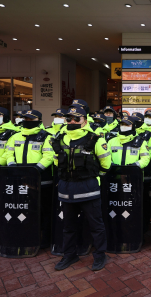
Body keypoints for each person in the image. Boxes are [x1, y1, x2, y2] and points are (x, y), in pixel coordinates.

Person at [52, 106, 111, 271]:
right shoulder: (59, 139)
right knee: (68, 226)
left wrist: (89, 176)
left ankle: (100, 255)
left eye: (76, 119)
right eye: (69, 118)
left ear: (85, 120)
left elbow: (106, 165)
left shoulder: (96, 139)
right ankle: (69, 255)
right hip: (66, 190)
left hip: (89, 190)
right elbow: (57, 162)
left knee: (96, 226)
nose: (72, 121)